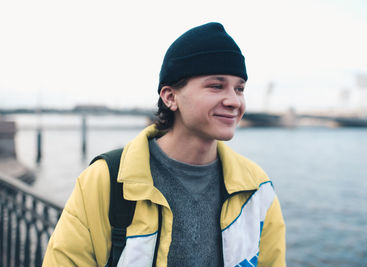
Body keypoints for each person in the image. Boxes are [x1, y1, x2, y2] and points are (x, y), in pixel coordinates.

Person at [43, 22, 286, 267]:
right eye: (216, 86)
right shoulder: (105, 181)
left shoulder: (257, 189)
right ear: (170, 97)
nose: (234, 101)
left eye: (240, 88)